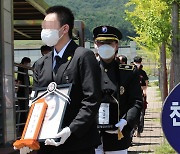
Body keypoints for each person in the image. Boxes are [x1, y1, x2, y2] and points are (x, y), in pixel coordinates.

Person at [16, 5, 102, 154]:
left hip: (77, 143)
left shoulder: (82, 56)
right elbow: (37, 104)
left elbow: (92, 99)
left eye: (49, 26)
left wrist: (71, 129)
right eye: (44, 26)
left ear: (64, 29)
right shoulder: (41, 63)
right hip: (47, 144)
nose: (45, 31)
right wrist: (29, 138)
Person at [93, 26, 143, 154]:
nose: (105, 46)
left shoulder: (128, 72)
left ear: (116, 45)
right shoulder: (88, 70)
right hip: (91, 135)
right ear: (95, 45)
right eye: (101, 43)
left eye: (109, 43)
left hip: (118, 135)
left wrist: (126, 121)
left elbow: (136, 101)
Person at [133, 56, 149, 137]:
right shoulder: (130, 71)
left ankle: (139, 130)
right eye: (136, 62)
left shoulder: (142, 73)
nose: (137, 64)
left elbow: (146, 83)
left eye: (139, 63)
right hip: (132, 96)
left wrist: (144, 91)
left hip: (141, 95)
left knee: (141, 113)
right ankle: (133, 130)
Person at [16, 57, 31, 134]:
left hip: (23, 91)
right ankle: (22, 127)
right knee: (23, 108)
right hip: (22, 92)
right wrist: (17, 89)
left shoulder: (22, 69)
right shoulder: (21, 69)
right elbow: (19, 80)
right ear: (25, 62)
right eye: (28, 62)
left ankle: (22, 126)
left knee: (23, 108)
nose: (29, 64)